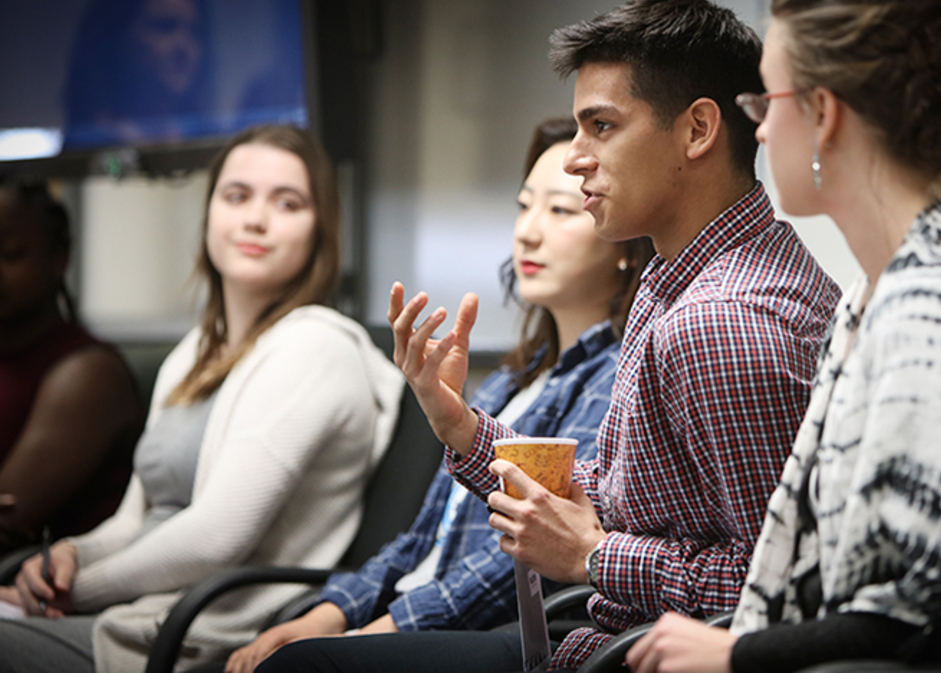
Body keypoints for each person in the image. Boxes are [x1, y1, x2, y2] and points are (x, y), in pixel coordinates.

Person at [271, 0, 840, 673]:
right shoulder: (679, 276)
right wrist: (464, 431)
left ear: (697, 130)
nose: (574, 158)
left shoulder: (718, 320)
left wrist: (593, 556)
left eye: (601, 126)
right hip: (605, 637)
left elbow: (779, 594)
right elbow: (638, 499)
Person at [625, 0, 941, 672]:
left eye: (767, 101)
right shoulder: (877, 289)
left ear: (826, 112)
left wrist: (738, 653)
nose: (757, 130)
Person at [219, 117, 654, 673]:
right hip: (411, 614)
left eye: (560, 210)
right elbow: (420, 538)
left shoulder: (615, 378)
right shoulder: (510, 380)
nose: (527, 231)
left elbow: (526, 553)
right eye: (525, 206)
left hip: (492, 635)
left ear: (619, 235)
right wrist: (328, 613)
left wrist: (377, 632)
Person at [0, 124, 405, 673]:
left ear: (319, 231)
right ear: (210, 213)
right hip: (123, 610)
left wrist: (82, 589)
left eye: (287, 203)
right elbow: (132, 519)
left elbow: (217, 537)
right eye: (236, 196)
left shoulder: (315, 345)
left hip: (186, 636)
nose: (255, 218)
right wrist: (71, 557)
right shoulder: (193, 352)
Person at [0, 179, 142, 555]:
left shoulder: (88, 374)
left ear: (58, 261)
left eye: (10, 254)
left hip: (49, 590)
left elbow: (10, 514)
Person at [62, 0, 215, 150]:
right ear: (116, 36)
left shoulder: (208, 139)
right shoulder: (84, 145)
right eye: (164, 26)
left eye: (195, 32)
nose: (184, 46)